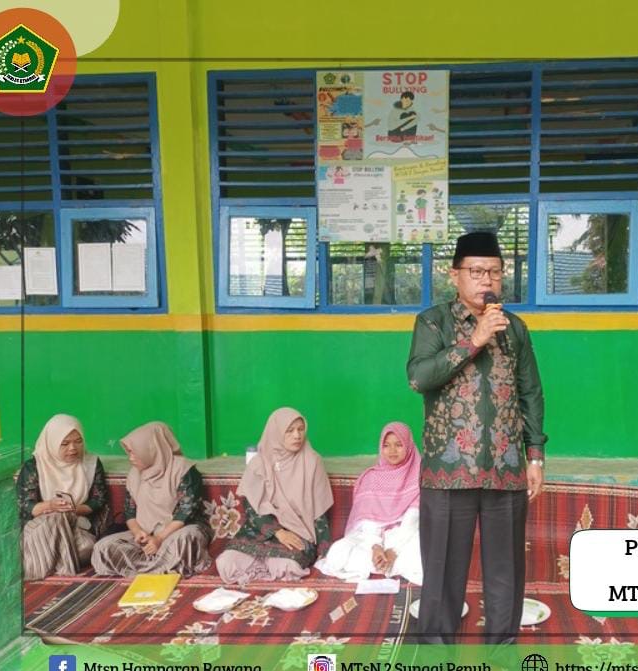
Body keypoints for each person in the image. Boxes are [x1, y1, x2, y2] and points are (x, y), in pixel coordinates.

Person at [406, 230, 546, 645]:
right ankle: (435, 653)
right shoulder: (433, 322)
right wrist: (475, 340)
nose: (488, 280)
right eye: (477, 271)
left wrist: (535, 455)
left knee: (506, 571)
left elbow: (531, 393)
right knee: (443, 571)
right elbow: (419, 377)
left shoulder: (515, 328)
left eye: (495, 272)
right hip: (449, 471)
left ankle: (501, 651)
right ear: (455, 275)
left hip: (506, 468)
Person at [216, 408, 334, 584]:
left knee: (287, 566)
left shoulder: (312, 461)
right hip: (261, 530)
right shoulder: (259, 463)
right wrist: (278, 532)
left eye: (301, 429)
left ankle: (262, 568)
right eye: (289, 430)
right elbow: (252, 508)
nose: (297, 435)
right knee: (226, 563)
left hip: (298, 530)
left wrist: (324, 551)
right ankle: (262, 566)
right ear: (276, 432)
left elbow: (319, 512)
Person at [91, 422, 212, 577]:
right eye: (129, 453)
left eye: (134, 453)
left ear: (151, 449)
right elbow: (130, 513)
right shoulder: (134, 474)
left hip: (178, 530)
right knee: (102, 548)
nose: (131, 458)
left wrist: (159, 538)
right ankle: (161, 567)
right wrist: (138, 533)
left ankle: (147, 567)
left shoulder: (183, 470)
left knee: (184, 541)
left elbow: (186, 512)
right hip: (147, 533)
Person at [315, 422, 423, 585]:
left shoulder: (418, 476)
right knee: (337, 552)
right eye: (386, 445)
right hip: (370, 539)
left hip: (405, 537)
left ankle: (383, 564)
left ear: (408, 446)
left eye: (398, 445)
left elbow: (412, 521)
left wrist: (393, 551)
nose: (392, 450)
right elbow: (367, 521)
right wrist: (376, 547)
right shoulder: (372, 478)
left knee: (424, 552)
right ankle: (382, 563)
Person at [17, 414, 109, 580]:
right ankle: (54, 559)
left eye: (78, 441)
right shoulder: (35, 466)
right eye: (65, 443)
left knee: (87, 548)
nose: (73, 448)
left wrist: (74, 509)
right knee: (56, 518)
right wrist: (51, 506)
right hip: (42, 527)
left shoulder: (91, 464)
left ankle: (44, 562)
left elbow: (98, 501)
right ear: (51, 442)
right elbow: (25, 506)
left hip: (78, 525)